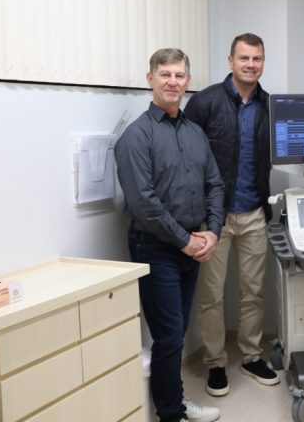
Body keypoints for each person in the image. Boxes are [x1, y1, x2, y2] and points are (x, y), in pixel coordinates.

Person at [116, 48, 224, 422]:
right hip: (155, 248)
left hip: (191, 245)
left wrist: (212, 232)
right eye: (165, 74)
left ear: (187, 81)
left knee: (177, 333)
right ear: (150, 79)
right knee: (169, 334)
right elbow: (143, 203)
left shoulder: (195, 133)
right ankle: (171, 413)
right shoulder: (136, 136)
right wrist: (185, 240)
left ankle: (174, 400)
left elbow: (214, 184)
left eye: (179, 75)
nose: (173, 82)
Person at [183, 33, 277, 397]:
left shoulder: (270, 105)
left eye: (257, 58)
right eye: (244, 58)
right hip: (214, 219)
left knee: (253, 292)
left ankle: (252, 356)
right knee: (211, 296)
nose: (251, 64)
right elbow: (187, 157)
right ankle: (215, 363)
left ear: (263, 62)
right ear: (230, 61)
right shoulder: (205, 102)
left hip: (254, 212)